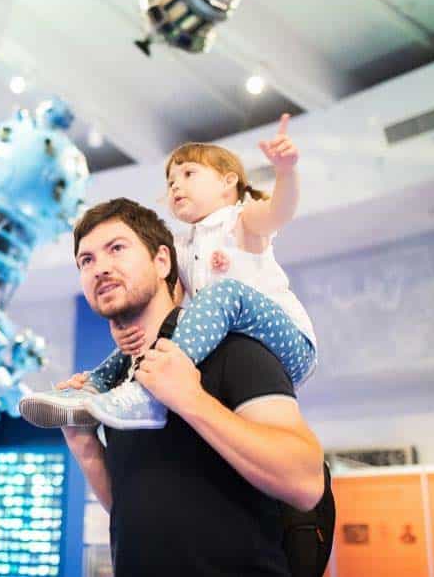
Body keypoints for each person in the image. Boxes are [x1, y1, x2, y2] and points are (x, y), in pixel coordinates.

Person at [55, 198, 325, 575]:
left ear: (162, 261)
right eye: (86, 260)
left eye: (116, 248)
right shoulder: (119, 383)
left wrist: (190, 399)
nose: (100, 268)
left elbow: (305, 481)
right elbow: (131, 510)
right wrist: (85, 446)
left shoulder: (236, 351)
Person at [21, 113, 316, 430]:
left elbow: (279, 211)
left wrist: (285, 171)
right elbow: (163, 298)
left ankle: (149, 395)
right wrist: (125, 330)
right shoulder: (183, 245)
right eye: (172, 181)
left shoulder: (241, 220)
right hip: (228, 341)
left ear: (228, 182)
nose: (177, 185)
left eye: (189, 173)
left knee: (226, 293)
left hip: (287, 341)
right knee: (159, 331)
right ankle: (93, 387)